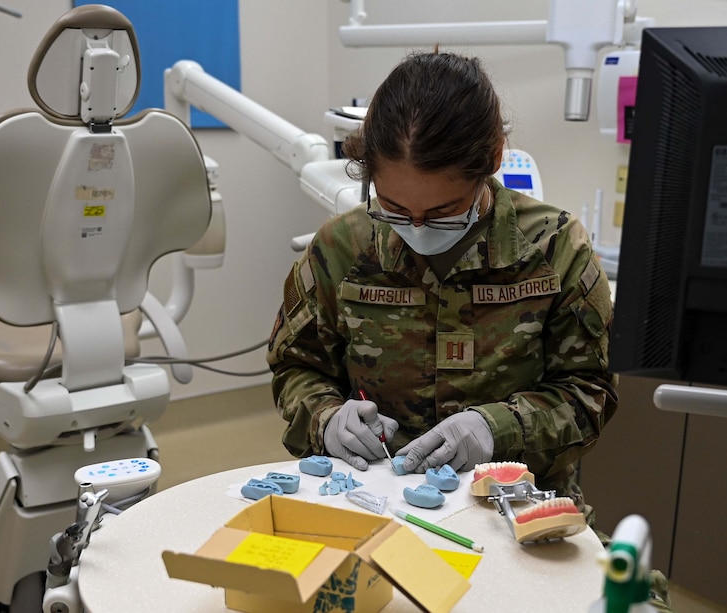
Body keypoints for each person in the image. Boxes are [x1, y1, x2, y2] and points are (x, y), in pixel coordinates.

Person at [266, 48, 676, 612]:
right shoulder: (341, 248)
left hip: (523, 523)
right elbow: (297, 368)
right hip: (372, 516)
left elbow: (591, 393)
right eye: (391, 207)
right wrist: (325, 417)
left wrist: (496, 430)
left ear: (492, 161)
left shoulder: (554, 250)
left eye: (443, 212)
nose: (415, 229)